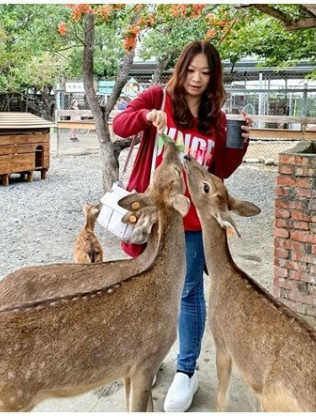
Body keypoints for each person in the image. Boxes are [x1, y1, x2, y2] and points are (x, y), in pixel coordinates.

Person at [112, 40, 252, 413]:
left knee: (189, 292)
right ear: (181, 68)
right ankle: (150, 356)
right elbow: (119, 123)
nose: (197, 79)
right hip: (157, 216)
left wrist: (241, 142)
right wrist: (146, 118)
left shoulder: (216, 118)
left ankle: (186, 371)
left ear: (214, 77)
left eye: (205, 73)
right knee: (147, 289)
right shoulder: (158, 97)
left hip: (192, 223)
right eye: (191, 70)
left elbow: (218, 171)